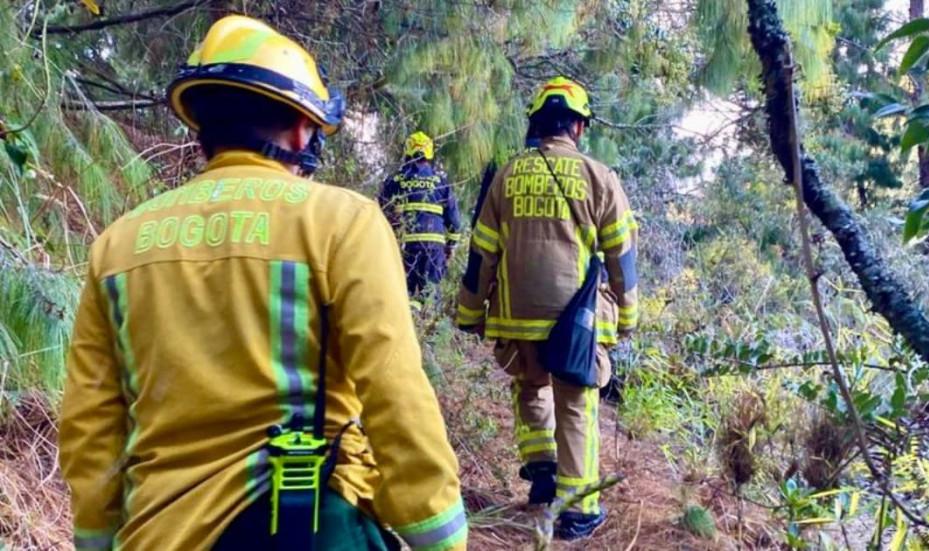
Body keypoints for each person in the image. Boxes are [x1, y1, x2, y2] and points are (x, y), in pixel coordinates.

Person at [58, 15, 466, 551]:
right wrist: (440, 535)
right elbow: (394, 391)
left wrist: (97, 541)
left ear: (200, 125)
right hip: (301, 525)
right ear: (303, 128)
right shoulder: (341, 223)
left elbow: (92, 429)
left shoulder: (116, 246)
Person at [456, 76, 639, 540]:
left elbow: (482, 253)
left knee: (530, 387)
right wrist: (629, 314)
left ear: (537, 123)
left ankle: (542, 471)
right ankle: (578, 511)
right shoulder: (600, 178)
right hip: (575, 324)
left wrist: (470, 311)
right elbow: (622, 255)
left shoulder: (506, 175)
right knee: (576, 406)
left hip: (517, 318)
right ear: (577, 127)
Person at [377, 132, 462, 303]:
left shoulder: (395, 180)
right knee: (430, 299)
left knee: (401, 298)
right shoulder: (441, 182)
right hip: (434, 250)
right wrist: (450, 247)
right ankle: (428, 326)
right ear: (430, 153)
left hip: (404, 248)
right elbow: (454, 222)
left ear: (407, 151)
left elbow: (381, 214)